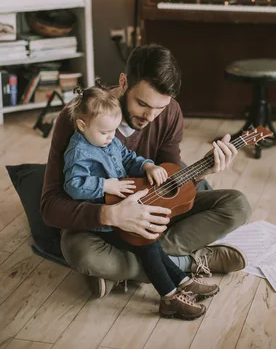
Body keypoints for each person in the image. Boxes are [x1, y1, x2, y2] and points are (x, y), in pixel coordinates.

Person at [41, 44, 252, 300]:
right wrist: (111, 214)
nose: (150, 116)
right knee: (81, 253)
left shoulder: (170, 111)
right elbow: (50, 206)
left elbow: (173, 186)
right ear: (123, 82)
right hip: (101, 220)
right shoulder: (80, 116)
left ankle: (124, 270)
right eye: (142, 103)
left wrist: (203, 170)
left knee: (237, 205)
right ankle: (190, 261)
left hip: (151, 210)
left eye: (160, 108)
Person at [63, 82, 219, 319]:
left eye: (114, 132)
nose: (110, 138)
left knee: (151, 242)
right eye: (104, 132)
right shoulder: (79, 152)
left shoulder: (108, 139)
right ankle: (169, 298)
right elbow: (73, 186)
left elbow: (127, 156)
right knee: (146, 243)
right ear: (82, 125)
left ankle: (184, 281)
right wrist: (106, 184)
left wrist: (147, 165)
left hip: (125, 206)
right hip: (103, 219)